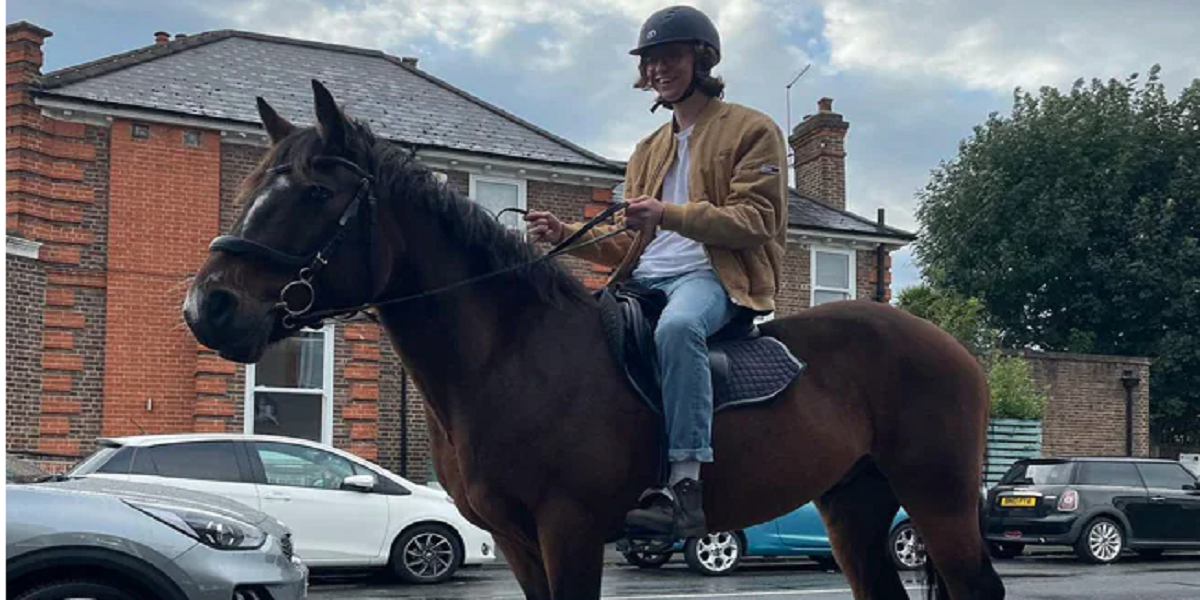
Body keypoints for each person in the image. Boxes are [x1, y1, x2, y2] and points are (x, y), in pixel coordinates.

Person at [524, 5, 788, 538]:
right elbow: (630, 239)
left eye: (671, 57)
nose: (659, 69)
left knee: (678, 328)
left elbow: (758, 220)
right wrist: (565, 233)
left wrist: (668, 213)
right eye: (651, 62)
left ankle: (686, 483)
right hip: (642, 281)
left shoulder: (752, 129)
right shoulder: (647, 150)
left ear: (702, 59)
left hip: (711, 278)